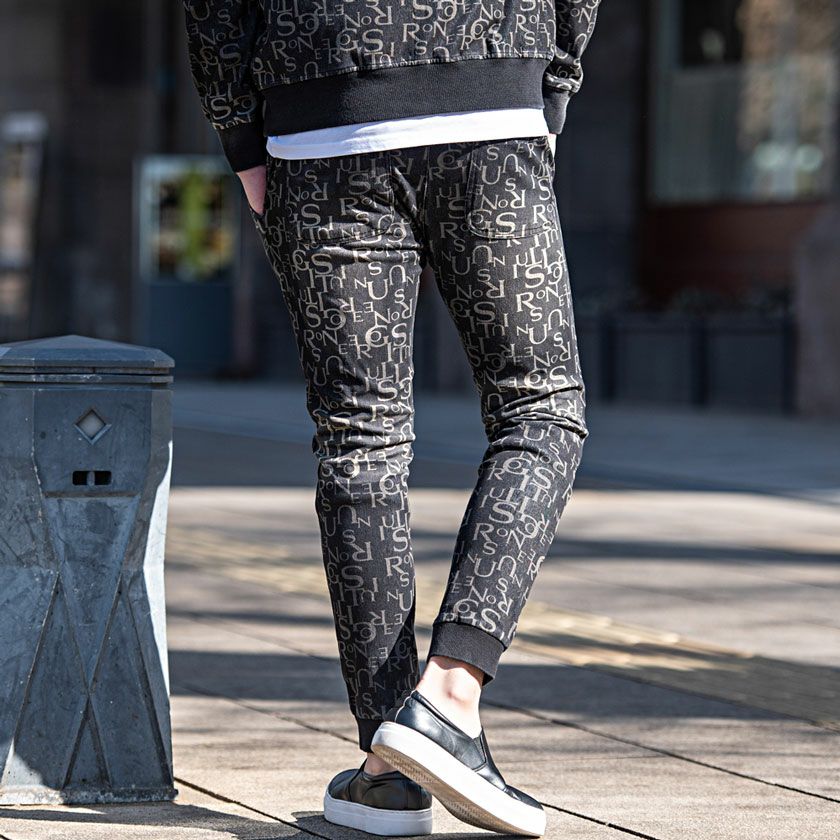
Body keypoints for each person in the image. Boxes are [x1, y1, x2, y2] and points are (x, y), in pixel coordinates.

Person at [183, 1, 600, 835]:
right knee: (541, 407)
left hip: (320, 117)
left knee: (358, 439)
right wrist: (552, 86)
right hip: (488, 95)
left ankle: (388, 769)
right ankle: (448, 695)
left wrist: (241, 135)